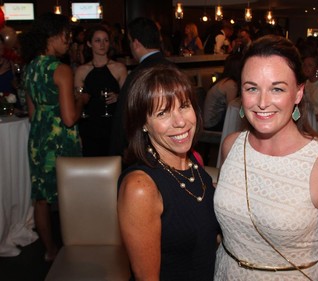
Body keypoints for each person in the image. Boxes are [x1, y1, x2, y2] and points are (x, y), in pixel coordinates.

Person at [214, 35, 318, 280]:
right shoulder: (231, 146)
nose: (262, 102)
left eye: (277, 89)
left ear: (299, 93)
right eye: (252, 88)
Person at [117, 65, 220, 280]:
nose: (180, 122)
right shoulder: (140, 188)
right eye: (162, 113)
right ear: (143, 124)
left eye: (184, 106)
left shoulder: (191, 163)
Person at [19, 13, 90, 261]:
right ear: (53, 36)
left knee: (41, 199)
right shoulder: (60, 70)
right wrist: (81, 100)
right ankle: (77, 247)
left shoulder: (29, 69)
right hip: (61, 140)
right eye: (66, 36)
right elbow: (69, 118)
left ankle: (51, 251)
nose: (68, 41)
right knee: (71, 194)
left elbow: (31, 113)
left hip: (38, 138)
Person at [109, 17, 175, 161]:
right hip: (174, 145)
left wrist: (115, 155)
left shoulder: (138, 75)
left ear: (136, 43)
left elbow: (123, 118)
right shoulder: (175, 70)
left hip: (146, 154)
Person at [74, 25, 127, 156]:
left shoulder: (119, 68)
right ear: (89, 43)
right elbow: (77, 100)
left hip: (113, 127)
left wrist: (118, 97)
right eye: (97, 40)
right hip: (90, 127)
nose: (102, 44)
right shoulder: (82, 70)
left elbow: (128, 98)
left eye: (106, 40)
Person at [203, 53, 242, 131]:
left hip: (208, 121)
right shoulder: (230, 84)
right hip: (212, 124)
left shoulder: (223, 80)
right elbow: (231, 108)